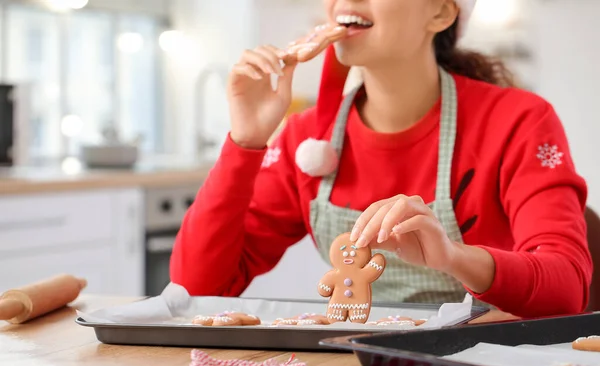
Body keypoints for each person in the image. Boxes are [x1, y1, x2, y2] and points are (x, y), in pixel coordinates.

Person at [170, 0, 593, 318]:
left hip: (488, 364)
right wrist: (245, 142)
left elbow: (567, 287)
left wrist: (453, 256)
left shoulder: (518, 122)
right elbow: (196, 289)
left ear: (441, 13)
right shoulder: (307, 139)